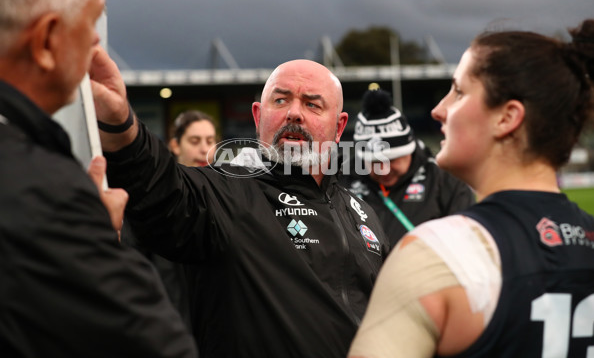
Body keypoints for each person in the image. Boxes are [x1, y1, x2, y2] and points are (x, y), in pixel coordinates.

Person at [90, 53, 391, 357]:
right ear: (259, 116)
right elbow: (161, 188)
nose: (294, 114)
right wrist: (121, 128)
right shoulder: (224, 192)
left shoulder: (363, 214)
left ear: (339, 128)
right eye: (281, 101)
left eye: (312, 104)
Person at [348, 18, 594, 358]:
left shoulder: (433, 255)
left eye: (459, 91)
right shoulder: (592, 240)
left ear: (506, 118)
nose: (439, 110)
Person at [0, 0, 197, 356]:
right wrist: (96, 237)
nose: (96, 42)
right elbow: (156, 344)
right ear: (45, 42)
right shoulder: (44, 192)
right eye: (89, 22)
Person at [341, 84, 475, 245]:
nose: (383, 170)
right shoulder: (341, 181)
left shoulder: (444, 180)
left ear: (409, 151)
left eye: (392, 160)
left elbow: (467, 242)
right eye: (375, 162)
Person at [123, 109, 219, 330]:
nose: (204, 148)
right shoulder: (153, 196)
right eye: (195, 141)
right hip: (167, 325)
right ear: (175, 145)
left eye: (210, 140)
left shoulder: (226, 196)